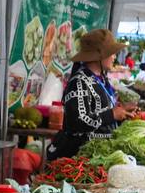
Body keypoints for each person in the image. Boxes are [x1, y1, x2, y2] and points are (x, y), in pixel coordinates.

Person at [50, 29, 127, 159]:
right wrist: (112, 114)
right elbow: (77, 121)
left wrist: (122, 112)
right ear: (99, 57)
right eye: (111, 53)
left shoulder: (101, 79)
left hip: (99, 154)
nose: (114, 57)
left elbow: (101, 112)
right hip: (80, 156)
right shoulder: (79, 82)